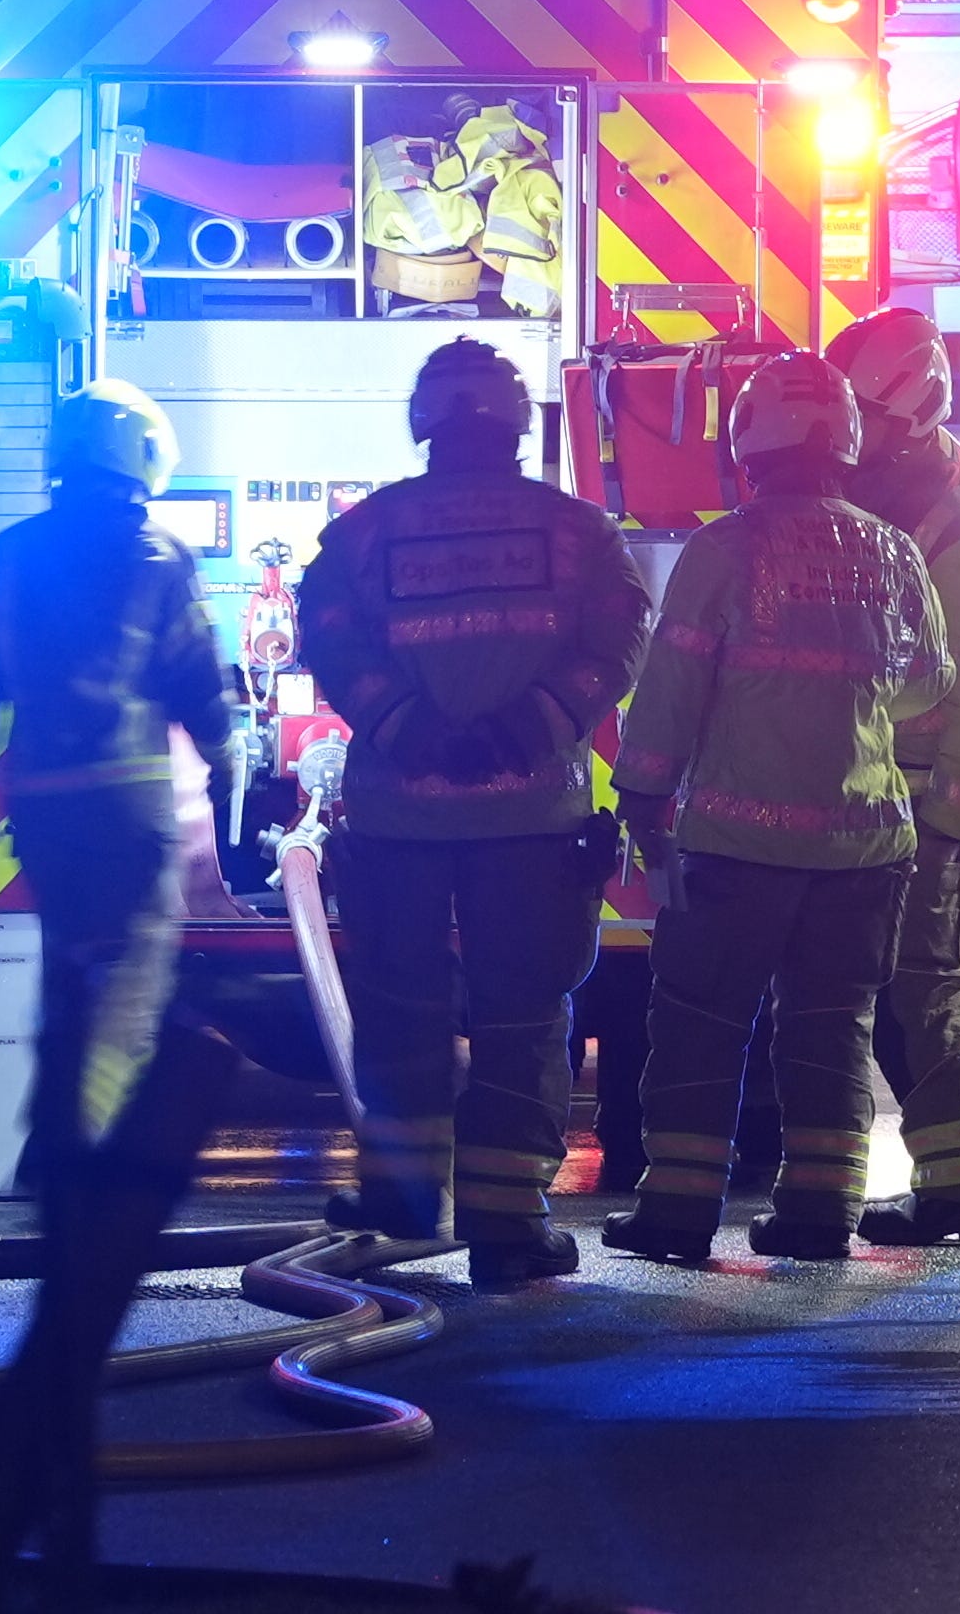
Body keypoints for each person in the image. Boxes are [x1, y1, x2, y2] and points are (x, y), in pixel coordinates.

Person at [293, 340, 653, 1287]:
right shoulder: (577, 531)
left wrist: (405, 726)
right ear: (518, 422)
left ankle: (406, 1202)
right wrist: (530, 728)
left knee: (399, 1009)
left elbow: (323, 631)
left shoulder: (367, 531)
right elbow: (620, 640)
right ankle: (505, 1226)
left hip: (398, 821)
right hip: (533, 815)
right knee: (524, 1017)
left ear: (424, 423)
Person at [599, 353, 948, 1266]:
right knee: (833, 1033)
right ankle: (819, 1218)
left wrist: (640, 793)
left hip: (735, 851)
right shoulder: (894, 550)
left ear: (747, 441)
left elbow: (671, 688)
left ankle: (676, 1217)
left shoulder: (725, 549)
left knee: (701, 1029)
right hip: (867, 850)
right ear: (848, 441)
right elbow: (924, 689)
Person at [0, 377, 245, 1192]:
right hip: (127, 806)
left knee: (67, 967)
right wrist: (228, 752)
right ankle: (91, 1154)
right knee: (132, 977)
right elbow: (190, 674)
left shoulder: (7, 556)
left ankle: (49, 1139)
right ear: (144, 455)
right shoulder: (157, 555)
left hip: (40, 805)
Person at [824, 306, 960, 1245]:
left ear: (906, 413)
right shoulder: (905, 492)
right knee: (920, 981)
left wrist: (949, 823)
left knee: (930, 979)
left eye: (860, 417)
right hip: (889, 785)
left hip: (938, 791)